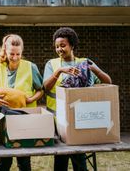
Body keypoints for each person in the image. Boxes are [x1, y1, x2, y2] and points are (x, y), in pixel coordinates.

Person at [43, 27, 112, 171]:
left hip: (81, 119)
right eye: (56, 46)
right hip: (59, 120)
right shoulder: (52, 64)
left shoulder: (84, 62)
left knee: (79, 158)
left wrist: (95, 70)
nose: (59, 49)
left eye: (63, 45)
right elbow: (46, 88)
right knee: (60, 158)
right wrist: (59, 71)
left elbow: (108, 82)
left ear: (72, 45)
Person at [0, 34, 43, 171]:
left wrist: (30, 99)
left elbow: (41, 90)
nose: (15, 57)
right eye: (11, 54)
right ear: (5, 50)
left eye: (18, 54)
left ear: (22, 52)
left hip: (24, 119)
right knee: (4, 161)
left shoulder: (31, 67)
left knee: (24, 162)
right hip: (3, 120)